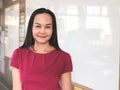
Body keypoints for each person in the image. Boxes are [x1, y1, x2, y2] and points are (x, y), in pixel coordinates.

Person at [10, 8, 73, 90]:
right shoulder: (18, 54)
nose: (42, 31)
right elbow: (16, 88)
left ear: (53, 30)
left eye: (47, 27)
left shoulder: (64, 57)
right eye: (38, 26)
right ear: (31, 28)